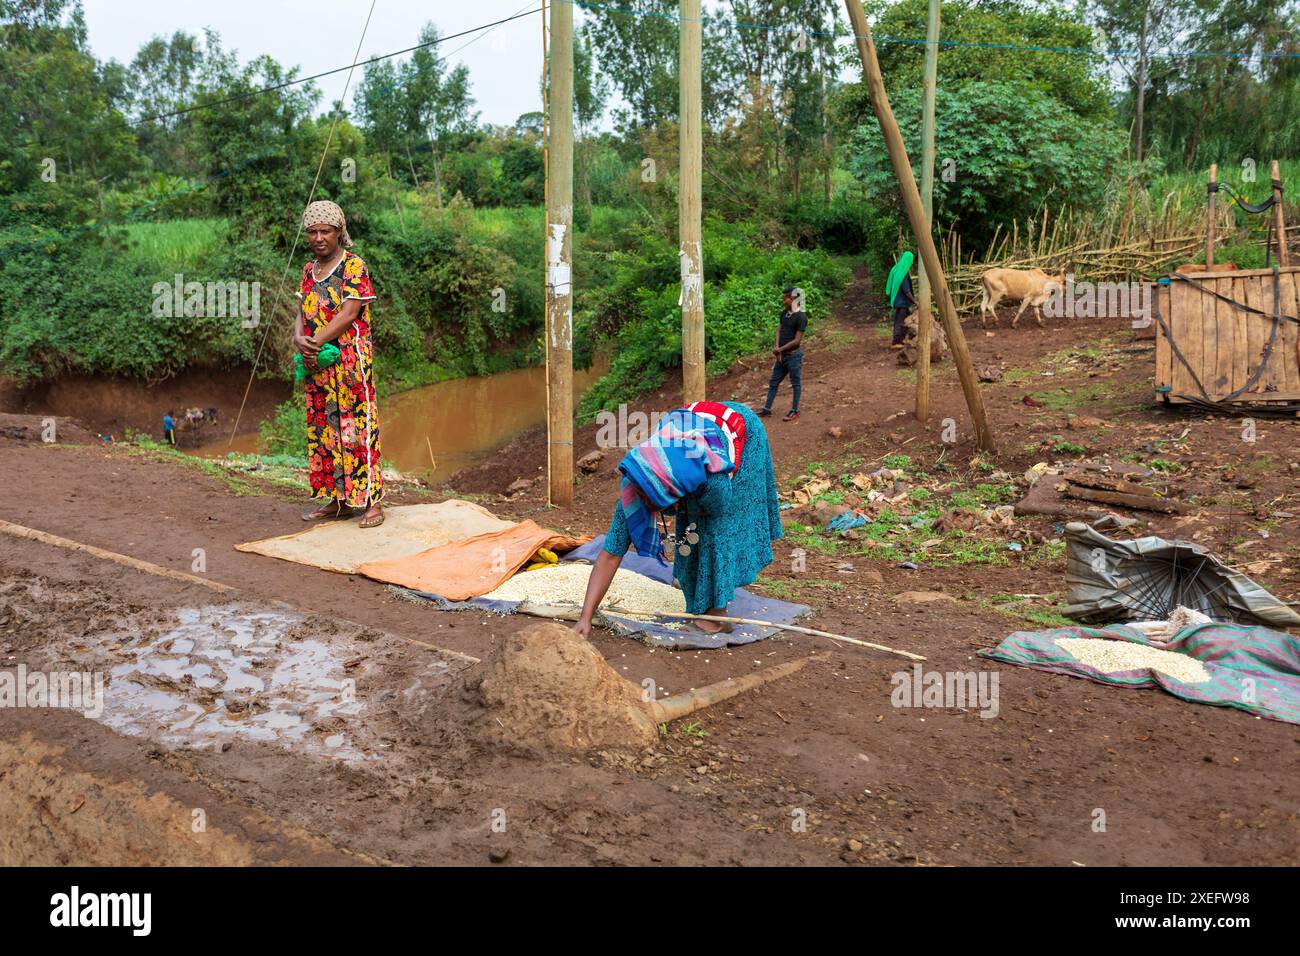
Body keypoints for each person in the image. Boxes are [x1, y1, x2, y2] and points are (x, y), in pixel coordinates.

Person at [572, 401, 782, 638]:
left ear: (672, 490)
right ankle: (698, 586)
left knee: (715, 527)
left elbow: (718, 518)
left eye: (652, 500)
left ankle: (716, 616)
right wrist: (585, 617)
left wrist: (689, 510)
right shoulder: (639, 480)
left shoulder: (713, 482)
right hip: (691, 433)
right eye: (642, 497)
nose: (645, 504)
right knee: (691, 522)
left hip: (742, 430)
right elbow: (611, 552)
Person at [295, 200, 385, 528]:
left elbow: (348, 314)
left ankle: (372, 502)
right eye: (313, 232)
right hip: (318, 364)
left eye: (326, 231)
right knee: (326, 429)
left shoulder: (353, 266)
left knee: (356, 428)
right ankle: (338, 501)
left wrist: (315, 341)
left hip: (350, 365)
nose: (319, 237)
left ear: (339, 232)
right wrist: (300, 339)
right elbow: (302, 309)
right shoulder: (308, 270)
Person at [758, 287, 806, 422]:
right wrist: (777, 349)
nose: (784, 301)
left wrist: (781, 350)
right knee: (773, 382)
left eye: (786, 298)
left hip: (793, 356)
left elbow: (797, 341)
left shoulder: (801, 317)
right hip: (782, 356)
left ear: (794, 299)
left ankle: (795, 410)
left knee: (795, 383)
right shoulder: (784, 313)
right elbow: (778, 330)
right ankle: (766, 409)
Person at [885, 252, 916, 349]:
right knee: (900, 321)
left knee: (905, 321)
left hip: (898, 301)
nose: (911, 263)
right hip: (902, 302)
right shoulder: (903, 273)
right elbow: (906, 291)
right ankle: (896, 341)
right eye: (910, 261)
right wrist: (915, 302)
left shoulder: (896, 269)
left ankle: (901, 340)